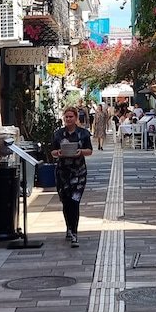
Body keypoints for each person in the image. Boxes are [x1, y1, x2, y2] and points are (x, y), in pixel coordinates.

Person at [50, 105, 92, 247]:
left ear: (76, 118)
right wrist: (58, 153)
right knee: (66, 202)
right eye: (66, 117)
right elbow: (52, 151)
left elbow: (89, 151)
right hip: (63, 172)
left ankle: (74, 233)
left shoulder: (83, 133)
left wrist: (80, 152)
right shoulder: (58, 134)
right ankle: (69, 226)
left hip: (78, 172)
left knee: (75, 201)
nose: (68, 119)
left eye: (71, 117)